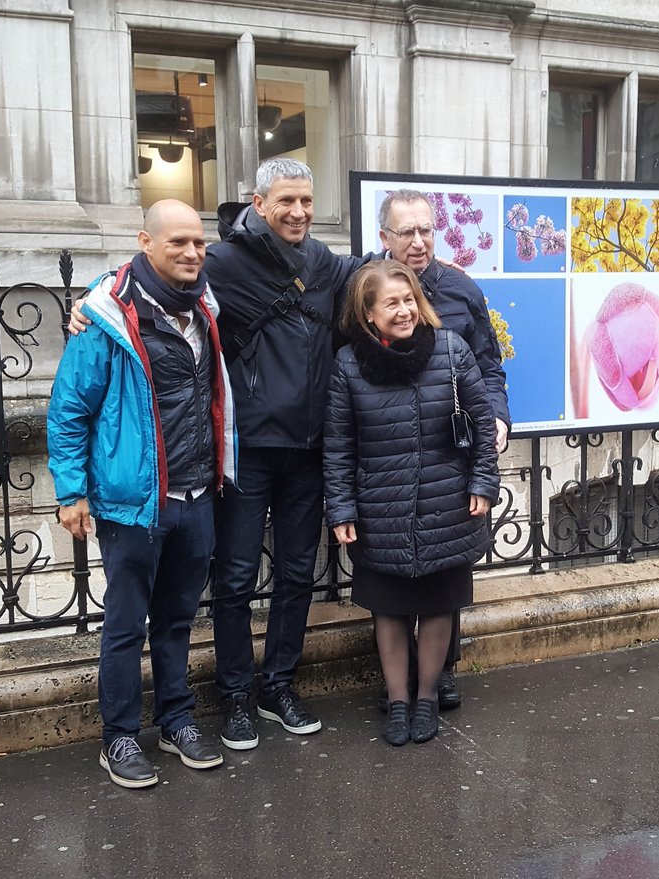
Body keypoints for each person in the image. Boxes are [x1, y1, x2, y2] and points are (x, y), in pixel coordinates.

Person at [47, 199, 236, 789]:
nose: (192, 252)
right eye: (178, 241)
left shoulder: (204, 304)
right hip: (134, 505)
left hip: (197, 495)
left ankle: (177, 720)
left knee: (178, 620)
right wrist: (71, 491)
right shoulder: (105, 318)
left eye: (199, 242)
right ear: (145, 242)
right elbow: (69, 409)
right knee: (127, 625)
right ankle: (120, 736)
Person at [203, 158, 373, 750]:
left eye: (306, 201)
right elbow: (153, 277)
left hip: (308, 449)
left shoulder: (322, 262)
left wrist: (429, 264)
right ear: (258, 202)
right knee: (235, 577)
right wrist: (92, 300)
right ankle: (234, 695)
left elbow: (376, 275)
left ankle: (277, 685)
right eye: (286, 201)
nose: (299, 212)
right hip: (249, 449)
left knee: (298, 574)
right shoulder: (222, 262)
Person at [323, 260, 500, 745]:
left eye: (409, 301)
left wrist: (482, 483)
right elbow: (339, 446)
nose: (404, 311)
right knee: (390, 609)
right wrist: (342, 509)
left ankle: (426, 700)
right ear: (368, 313)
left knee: (440, 605)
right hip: (380, 508)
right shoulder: (349, 364)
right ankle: (398, 702)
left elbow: (482, 425)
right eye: (391, 304)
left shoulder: (451, 349)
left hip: (448, 504)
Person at [375, 189, 512, 710]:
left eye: (426, 230)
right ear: (385, 237)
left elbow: (489, 365)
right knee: (391, 575)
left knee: (447, 566)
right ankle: (397, 681)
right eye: (406, 232)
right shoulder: (365, 284)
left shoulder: (460, 289)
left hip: (447, 452)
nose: (418, 241)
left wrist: (497, 415)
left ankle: (441, 670)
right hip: (389, 455)